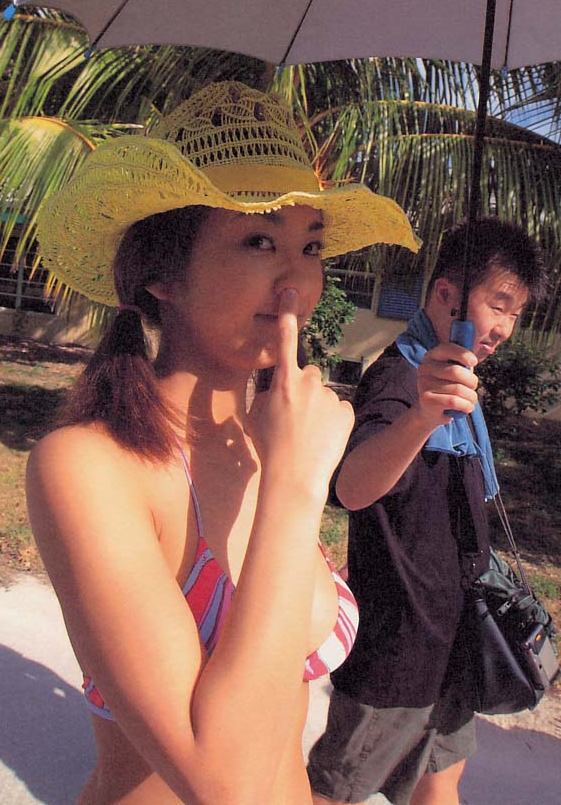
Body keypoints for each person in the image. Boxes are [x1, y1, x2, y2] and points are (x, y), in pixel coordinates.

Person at [25, 80, 419, 805]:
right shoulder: (90, 466)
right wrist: (295, 489)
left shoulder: (270, 440)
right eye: (259, 240)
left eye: (311, 246)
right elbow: (224, 784)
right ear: (162, 275)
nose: (297, 279)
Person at [307, 217, 549, 805]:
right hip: (398, 650)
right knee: (334, 792)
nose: (505, 328)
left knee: (441, 785)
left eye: (516, 313)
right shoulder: (401, 378)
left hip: (453, 647)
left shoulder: (457, 379)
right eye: (498, 305)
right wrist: (422, 415)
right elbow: (352, 488)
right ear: (445, 294)